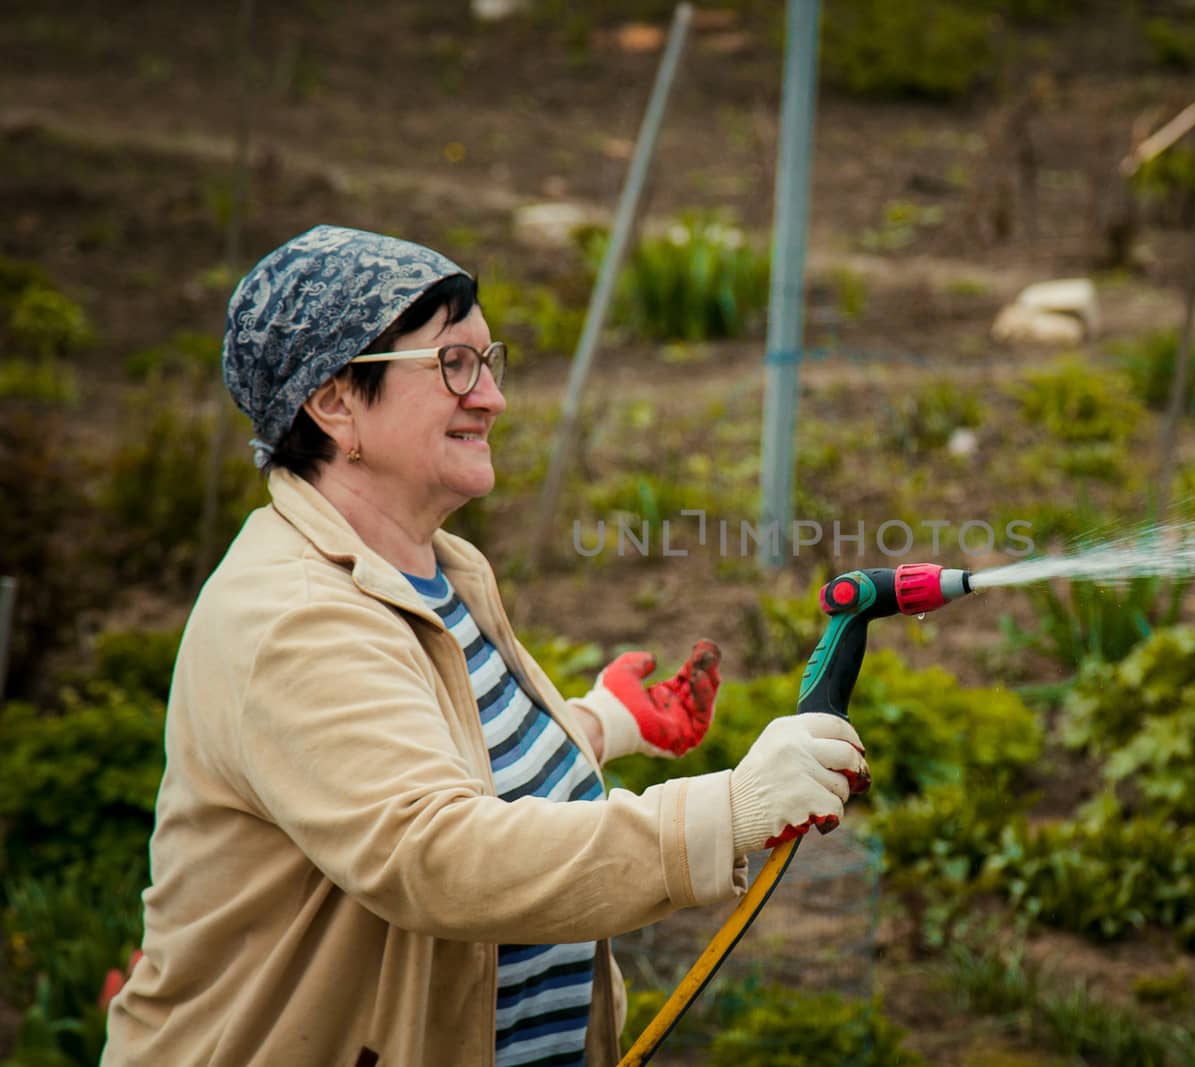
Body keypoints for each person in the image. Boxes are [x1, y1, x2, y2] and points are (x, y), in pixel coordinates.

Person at [102, 224, 870, 1067]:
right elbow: (437, 854)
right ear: (333, 401)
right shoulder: (293, 615)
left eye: (486, 361)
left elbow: (428, 762)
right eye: (451, 365)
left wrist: (599, 725)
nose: (492, 397)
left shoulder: (439, 570)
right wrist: (730, 812)